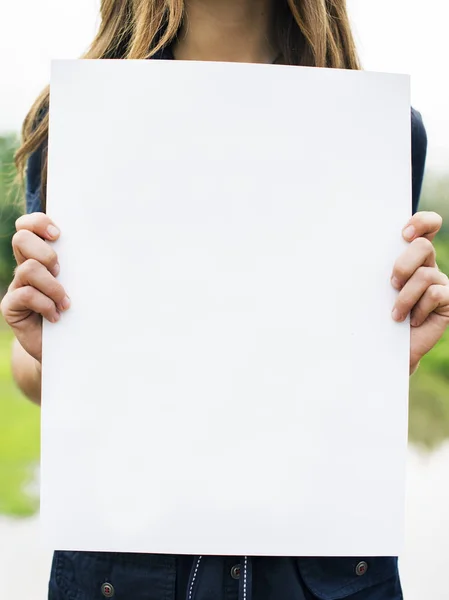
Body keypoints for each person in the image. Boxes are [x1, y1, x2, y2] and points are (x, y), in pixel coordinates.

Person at [1, 1, 448, 599]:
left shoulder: (382, 130)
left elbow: (319, 358)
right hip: (123, 564)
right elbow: (29, 372)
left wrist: (391, 356)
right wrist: (58, 352)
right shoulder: (77, 119)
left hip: (322, 566)